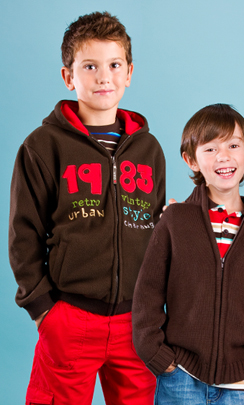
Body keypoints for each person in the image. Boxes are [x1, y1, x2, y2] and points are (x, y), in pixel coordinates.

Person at [8, 11, 165, 404]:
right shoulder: (42, 146)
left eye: (114, 65)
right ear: (69, 77)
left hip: (135, 322)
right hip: (70, 316)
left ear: (129, 73)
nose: (103, 77)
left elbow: (157, 230)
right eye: (90, 66)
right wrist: (43, 309)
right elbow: (24, 232)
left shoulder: (149, 149)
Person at [132, 104, 244, 405]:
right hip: (181, 376)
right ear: (191, 160)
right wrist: (157, 355)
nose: (223, 156)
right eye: (210, 149)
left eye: (233, 145)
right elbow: (148, 291)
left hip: (241, 383)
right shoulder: (176, 220)